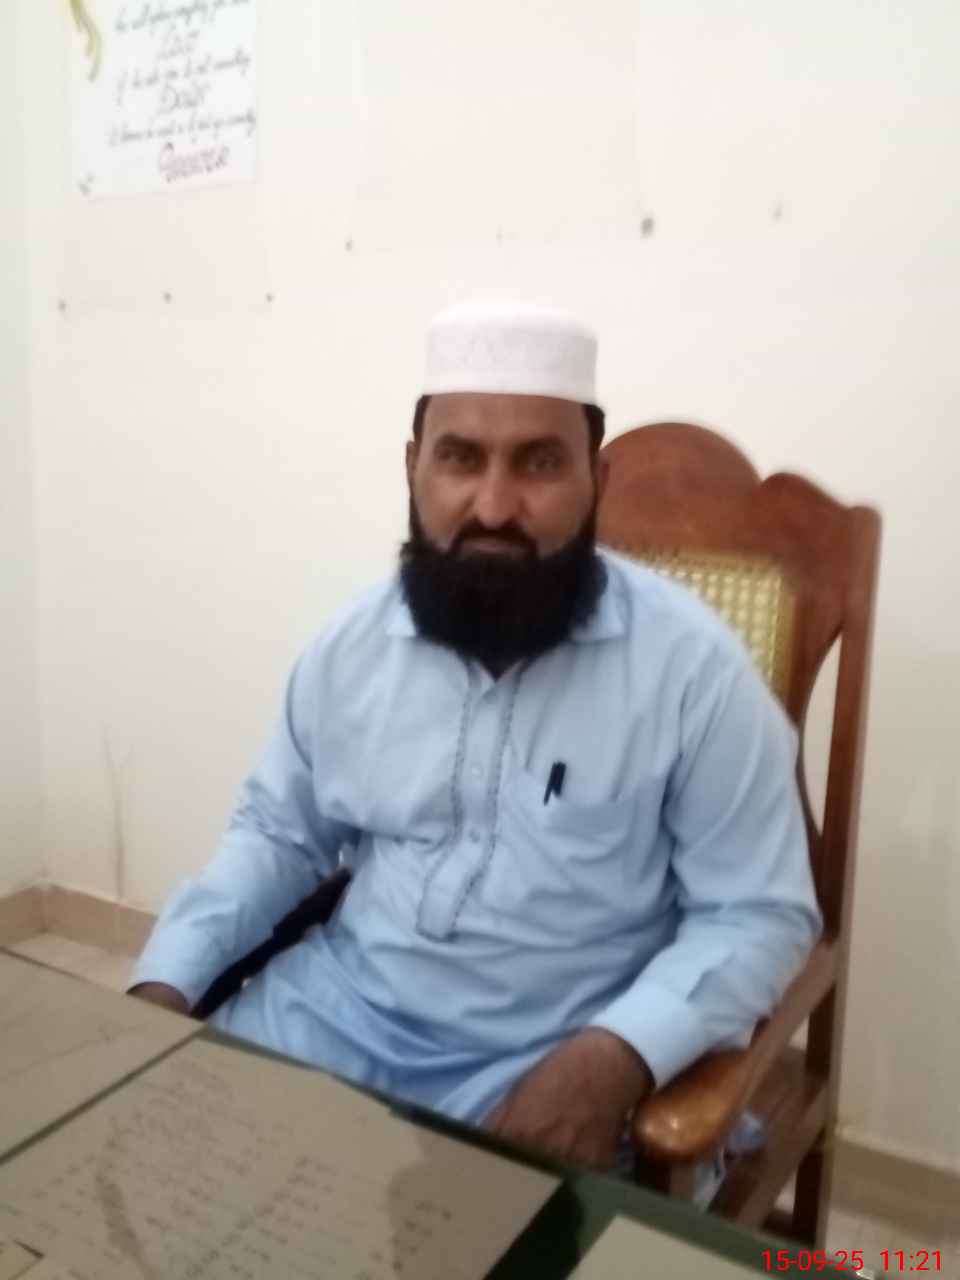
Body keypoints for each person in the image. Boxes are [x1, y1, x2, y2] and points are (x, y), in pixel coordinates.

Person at [131, 298, 820, 1183]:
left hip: (544, 1064)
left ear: (597, 479)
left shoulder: (695, 674)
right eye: (461, 457)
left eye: (539, 463)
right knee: (144, 1187)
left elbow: (758, 913)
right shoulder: (350, 648)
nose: (494, 506)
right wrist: (165, 981)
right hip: (333, 1021)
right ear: (413, 468)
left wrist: (615, 1058)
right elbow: (278, 835)